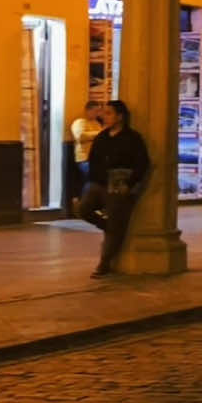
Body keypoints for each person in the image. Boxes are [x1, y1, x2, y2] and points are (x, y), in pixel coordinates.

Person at [72, 99, 150, 278]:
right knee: (83, 209)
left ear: (120, 117)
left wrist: (128, 184)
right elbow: (93, 159)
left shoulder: (133, 138)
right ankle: (107, 226)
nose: (104, 116)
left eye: (109, 113)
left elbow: (142, 163)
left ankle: (104, 263)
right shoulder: (102, 137)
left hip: (117, 186)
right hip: (98, 183)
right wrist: (92, 180)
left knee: (117, 222)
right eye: (104, 113)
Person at [69, 101, 103, 201]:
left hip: (95, 158)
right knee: (90, 179)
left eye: (99, 111)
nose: (98, 113)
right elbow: (81, 136)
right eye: (95, 111)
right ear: (88, 110)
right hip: (84, 158)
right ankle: (83, 203)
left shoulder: (96, 123)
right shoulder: (79, 122)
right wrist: (99, 133)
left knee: (92, 181)